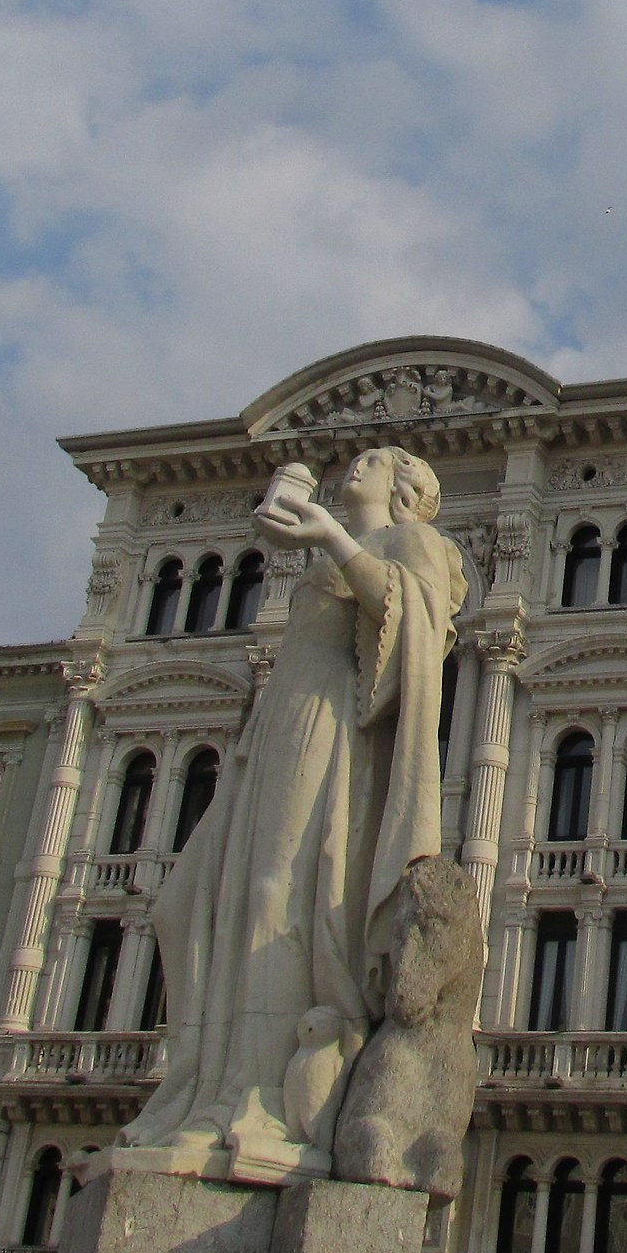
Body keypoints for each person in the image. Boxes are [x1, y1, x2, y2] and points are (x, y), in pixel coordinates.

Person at [116, 445, 466, 1185]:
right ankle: (198, 1086)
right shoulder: (323, 550)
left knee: (279, 895)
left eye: (376, 459)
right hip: (274, 728)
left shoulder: (414, 541)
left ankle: (261, 1103)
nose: (358, 463)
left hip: (329, 725)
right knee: (184, 906)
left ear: (407, 491)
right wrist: (314, 535)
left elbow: (417, 630)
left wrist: (329, 538)